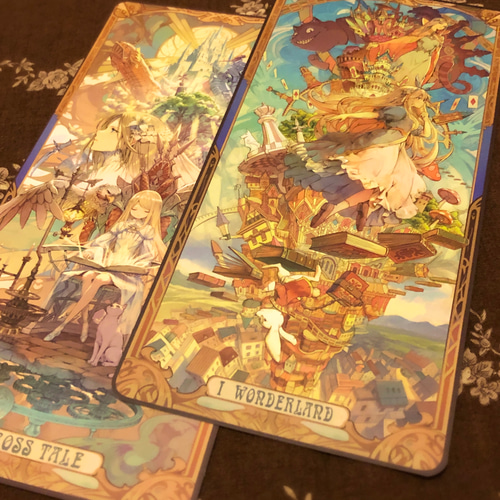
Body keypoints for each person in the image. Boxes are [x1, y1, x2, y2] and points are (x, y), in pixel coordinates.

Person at [284, 86, 442, 229]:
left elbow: (425, 133)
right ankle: (356, 208)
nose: (422, 102)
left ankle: (340, 208)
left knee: (382, 187)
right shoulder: (401, 112)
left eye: (424, 100)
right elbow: (376, 115)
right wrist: (348, 114)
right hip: (381, 147)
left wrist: (424, 116)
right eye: (419, 98)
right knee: (378, 182)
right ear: (408, 97)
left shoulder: (413, 120)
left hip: (394, 153)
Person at [44, 190, 167, 342]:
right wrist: (90, 252)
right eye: (135, 208)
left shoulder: (147, 231)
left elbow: (146, 255)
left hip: (124, 271)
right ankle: (84, 322)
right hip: (109, 264)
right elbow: (101, 242)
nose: (138, 212)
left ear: (151, 213)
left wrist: (137, 265)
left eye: (144, 210)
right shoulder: (121, 225)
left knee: (99, 279)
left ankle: (62, 326)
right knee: (88, 275)